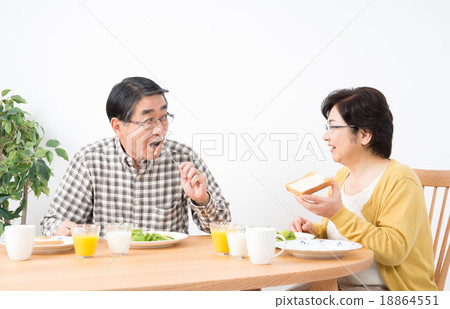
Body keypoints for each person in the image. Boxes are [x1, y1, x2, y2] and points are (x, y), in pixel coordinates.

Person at [41, 77, 231, 236]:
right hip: (110, 272)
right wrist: (61, 230)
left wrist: (202, 200)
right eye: (148, 120)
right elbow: (51, 223)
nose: (160, 129)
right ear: (118, 127)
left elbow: (222, 226)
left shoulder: (184, 157)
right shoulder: (90, 160)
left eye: (164, 117)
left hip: (168, 271)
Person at [289, 87, 437, 291]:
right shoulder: (342, 176)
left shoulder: (400, 179)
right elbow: (344, 236)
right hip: (339, 283)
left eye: (333, 127)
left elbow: (393, 250)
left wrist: (338, 214)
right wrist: (315, 231)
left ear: (365, 135)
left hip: (386, 291)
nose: (325, 136)